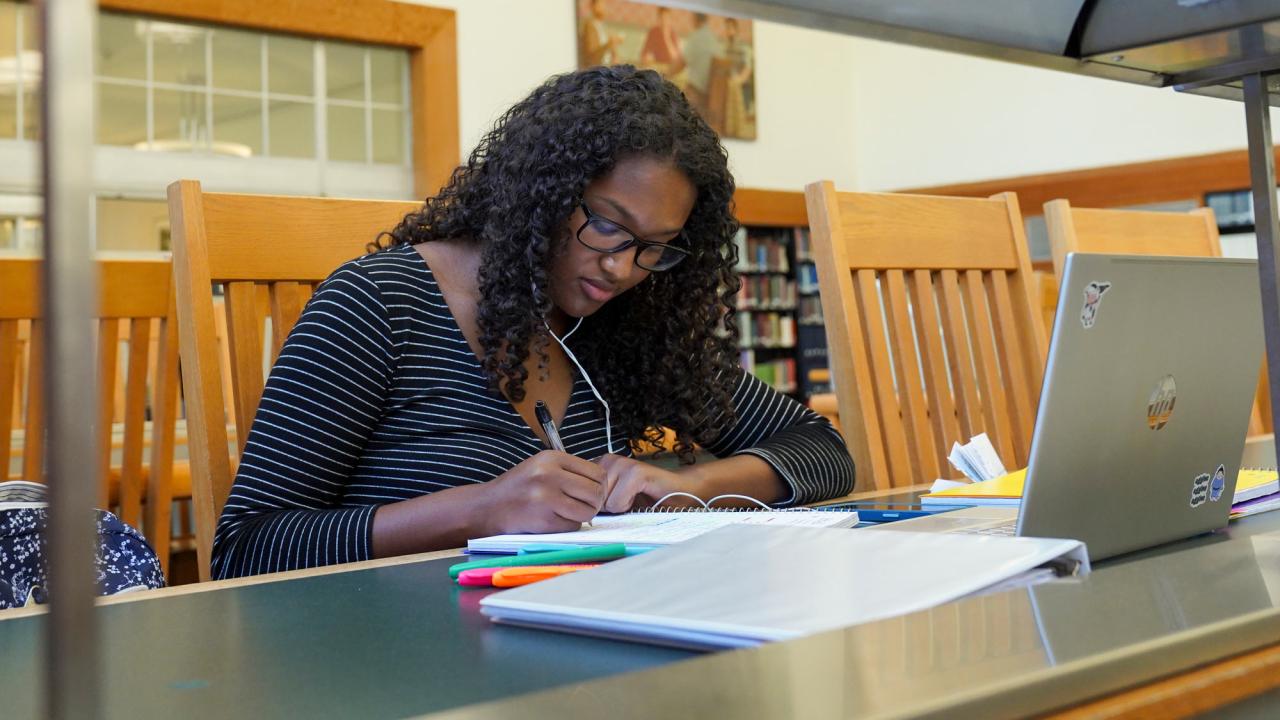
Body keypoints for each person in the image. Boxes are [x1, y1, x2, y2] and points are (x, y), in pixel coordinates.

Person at [210, 66, 855, 580]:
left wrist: (694, 485)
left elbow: (824, 452)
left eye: (654, 247)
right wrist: (479, 509)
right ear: (539, 191)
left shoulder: (620, 326)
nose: (624, 267)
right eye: (606, 224)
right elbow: (243, 551)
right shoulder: (379, 304)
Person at [681, 13, 720, 116]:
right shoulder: (714, 40)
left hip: (697, 94)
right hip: (710, 96)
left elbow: (679, 64)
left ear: (694, 19)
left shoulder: (696, 37)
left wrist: (664, 72)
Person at [640, 7, 684, 76]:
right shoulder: (653, 32)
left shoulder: (673, 34)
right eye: (661, 18)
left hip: (669, 69)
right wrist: (647, 57)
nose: (664, 21)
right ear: (658, 19)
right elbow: (644, 54)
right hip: (655, 67)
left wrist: (666, 38)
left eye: (666, 18)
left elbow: (675, 59)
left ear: (670, 20)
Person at [578, 0, 622, 67]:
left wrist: (614, 51)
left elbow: (610, 53)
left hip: (605, 69)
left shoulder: (602, 25)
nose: (605, 7)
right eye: (602, 4)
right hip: (594, 72)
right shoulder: (589, 25)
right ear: (593, 6)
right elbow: (591, 56)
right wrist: (609, 44)